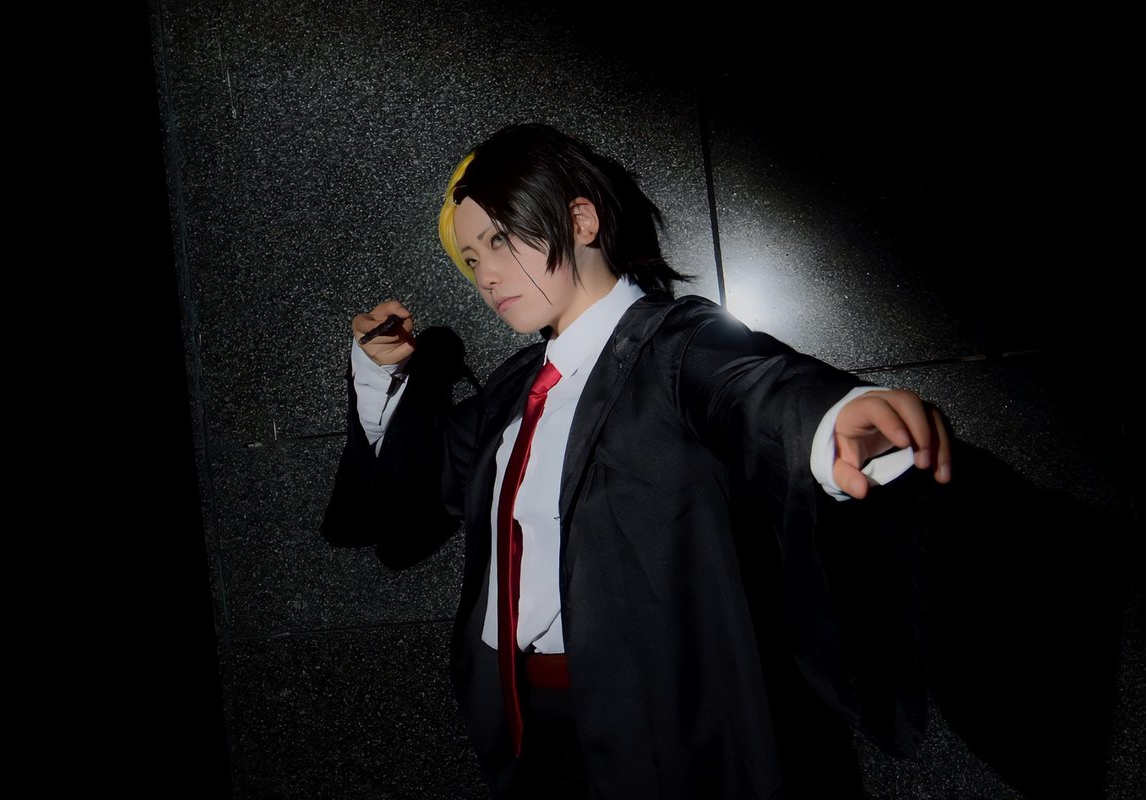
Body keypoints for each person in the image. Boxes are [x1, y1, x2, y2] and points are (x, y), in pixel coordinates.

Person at [321, 122, 951, 799]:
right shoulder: (516, 386)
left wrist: (833, 420)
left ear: (581, 221)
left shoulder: (676, 342)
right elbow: (412, 490)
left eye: (501, 240)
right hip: (522, 726)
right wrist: (379, 374)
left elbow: (751, 387)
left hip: (655, 726)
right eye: (472, 260)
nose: (487, 276)